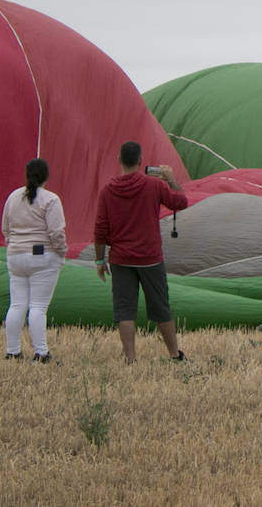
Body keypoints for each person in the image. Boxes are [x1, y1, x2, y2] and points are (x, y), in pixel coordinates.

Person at [93, 141, 190, 364]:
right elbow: (181, 201)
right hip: (150, 258)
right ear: (140, 161)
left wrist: (99, 259)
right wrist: (171, 179)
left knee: (124, 310)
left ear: (119, 160)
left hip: (121, 259)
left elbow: (99, 229)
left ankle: (130, 359)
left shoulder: (107, 191)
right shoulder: (153, 186)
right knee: (160, 307)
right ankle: (175, 355)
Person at [3, 159, 68, 363]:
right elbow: (56, 232)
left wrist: (14, 246)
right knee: (38, 307)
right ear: (47, 176)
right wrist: (61, 252)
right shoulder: (51, 199)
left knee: (17, 305)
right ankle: (41, 353)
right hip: (42, 256)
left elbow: (5, 228)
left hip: (15, 255)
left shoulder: (13, 197)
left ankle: (12, 352)